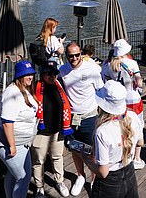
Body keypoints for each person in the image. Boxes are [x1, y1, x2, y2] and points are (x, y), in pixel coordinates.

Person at [81, 80, 141, 198]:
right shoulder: (133, 116)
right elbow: (140, 142)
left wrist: (85, 159)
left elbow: (103, 172)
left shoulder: (102, 131)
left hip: (110, 183)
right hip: (129, 173)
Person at [58, 42, 104, 196]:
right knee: (74, 148)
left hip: (89, 116)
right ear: (66, 56)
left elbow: (100, 90)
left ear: (81, 53)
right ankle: (80, 176)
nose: (74, 58)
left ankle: (94, 179)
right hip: (71, 118)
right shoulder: (63, 70)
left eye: (77, 55)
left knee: (92, 151)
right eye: (70, 56)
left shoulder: (92, 69)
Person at [0, 60, 39, 198]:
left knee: (14, 176)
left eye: (32, 74)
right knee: (23, 177)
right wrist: (12, 146)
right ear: (19, 76)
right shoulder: (12, 93)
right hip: (13, 144)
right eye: (26, 75)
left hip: (23, 142)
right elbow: (7, 122)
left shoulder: (25, 88)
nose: (30, 77)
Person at [101, 38, 145, 169]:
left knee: (122, 129)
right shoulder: (132, 63)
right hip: (133, 99)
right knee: (137, 127)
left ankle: (123, 155)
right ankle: (137, 158)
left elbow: (106, 82)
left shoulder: (108, 66)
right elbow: (139, 83)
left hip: (120, 101)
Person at [31, 61, 73, 198]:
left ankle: (59, 181)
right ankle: (39, 187)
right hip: (40, 131)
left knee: (57, 157)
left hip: (58, 130)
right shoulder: (34, 87)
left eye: (54, 73)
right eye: (48, 73)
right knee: (39, 161)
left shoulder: (59, 86)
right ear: (42, 74)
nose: (52, 76)